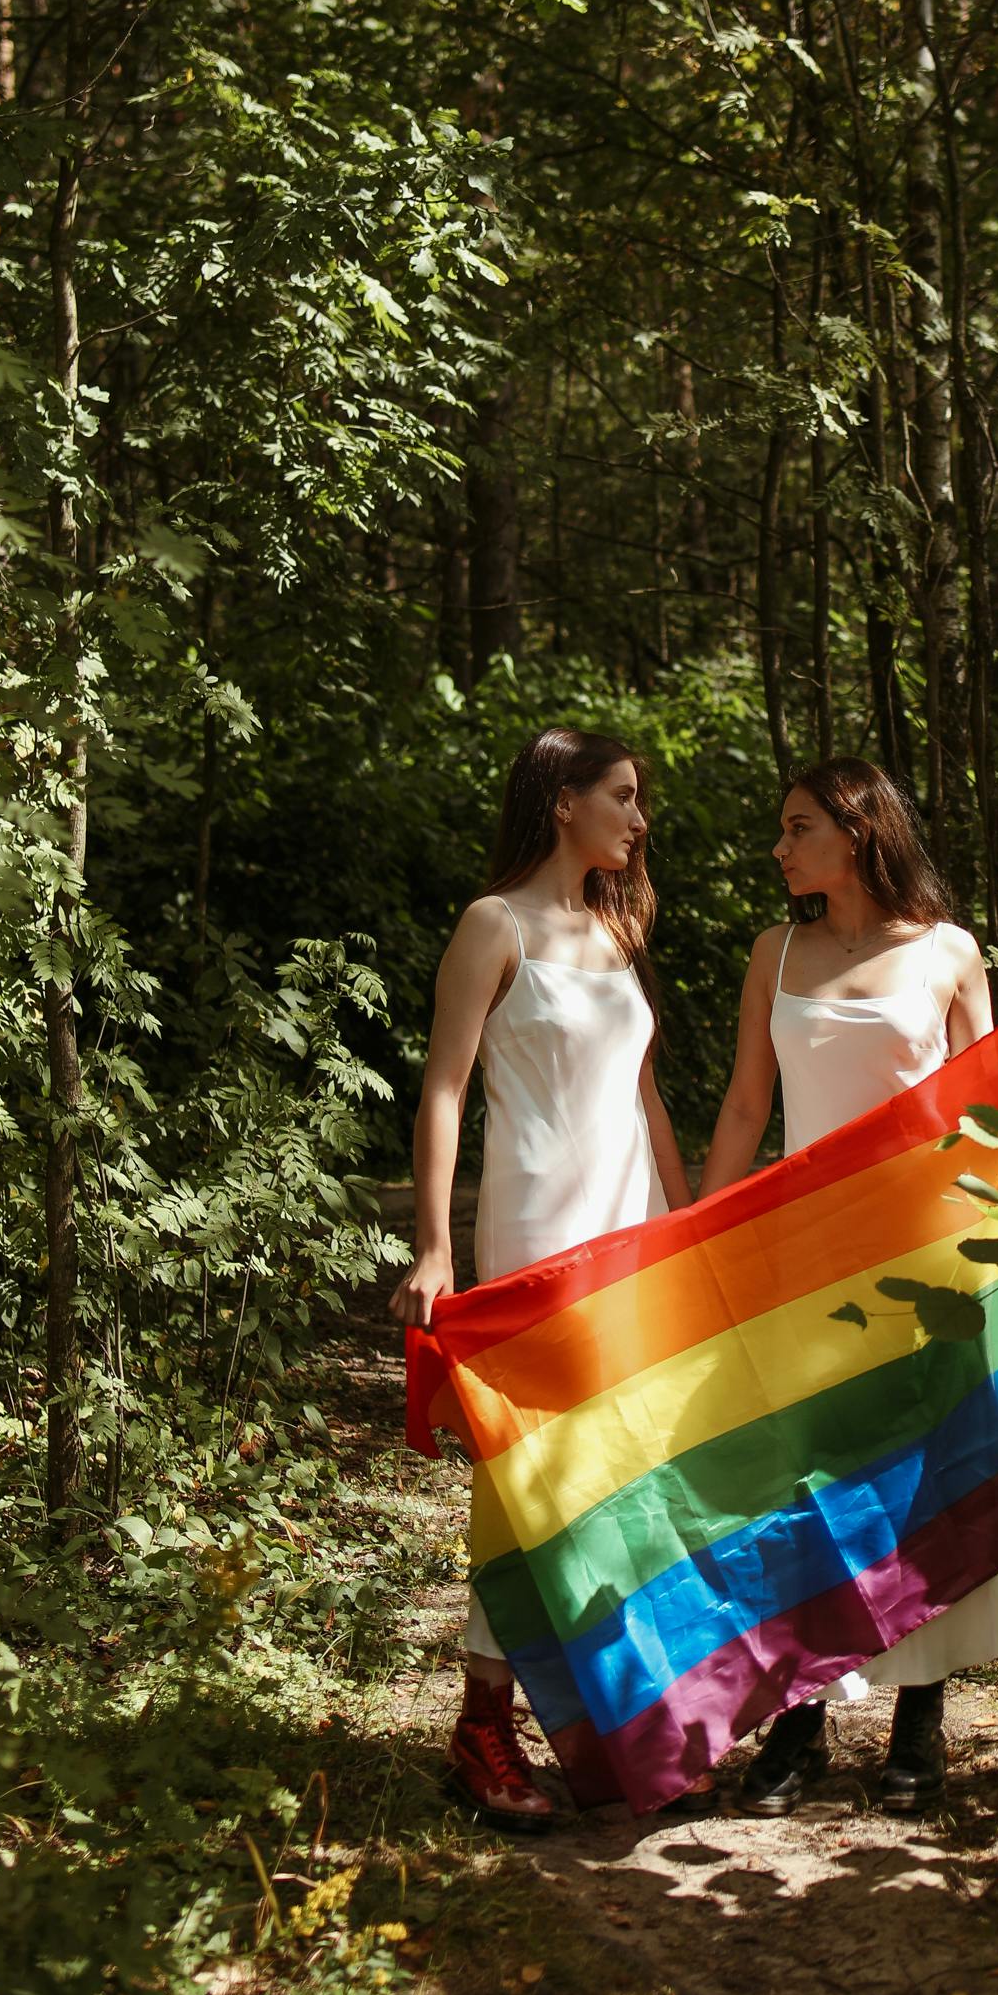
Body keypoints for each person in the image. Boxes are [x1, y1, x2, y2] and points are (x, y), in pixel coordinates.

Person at [698, 757, 998, 1819]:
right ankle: (798, 1723)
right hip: (799, 1260)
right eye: (781, 830)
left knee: (924, 1482)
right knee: (806, 1486)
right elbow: (745, 1107)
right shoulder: (773, 951)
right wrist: (700, 1238)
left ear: (856, 831)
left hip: (922, 1256)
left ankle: (918, 1715)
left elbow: (997, 1108)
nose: (779, 849)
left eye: (796, 829)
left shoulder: (947, 953)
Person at [390, 725, 691, 1830]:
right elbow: (442, 1090)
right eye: (619, 794)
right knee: (522, 1484)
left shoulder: (617, 926)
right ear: (560, 801)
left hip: (631, 1231)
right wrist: (433, 1246)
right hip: (535, 1232)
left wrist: (688, 1215)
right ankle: (483, 1726)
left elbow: (645, 1095)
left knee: (623, 1474)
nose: (636, 816)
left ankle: (615, 1721)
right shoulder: (492, 925)